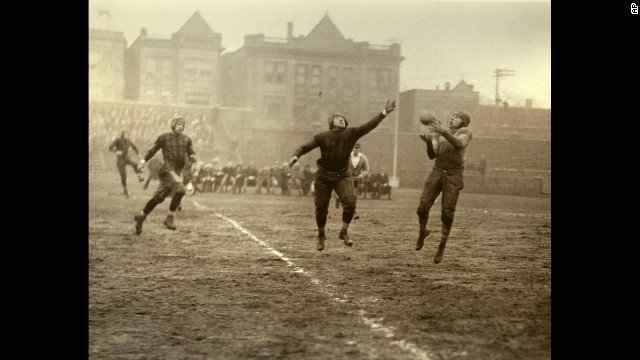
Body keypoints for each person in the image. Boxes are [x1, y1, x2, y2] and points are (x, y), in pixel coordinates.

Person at [288, 100, 396, 251]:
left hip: (342, 175)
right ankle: (321, 235)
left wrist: (384, 113)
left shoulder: (351, 133)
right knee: (321, 208)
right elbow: (305, 147)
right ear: (331, 122)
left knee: (350, 201)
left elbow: (369, 126)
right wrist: (295, 156)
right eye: (337, 117)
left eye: (342, 118)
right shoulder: (322, 136)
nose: (341, 118)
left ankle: (344, 232)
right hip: (323, 176)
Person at [415, 110, 473, 264]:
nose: (453, 118)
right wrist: (429, 143)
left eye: (457, 117)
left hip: (454, 174)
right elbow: (432, 155)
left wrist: (442, 131)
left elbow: (459, 143)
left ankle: (442, 245)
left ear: (464, 121)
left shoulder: (465, 132)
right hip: (438, 170)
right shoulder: (439, 133)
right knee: (422, 207)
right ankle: (423, 231)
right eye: (452, 116)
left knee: (447, 213)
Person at [133, 116, 197, 234]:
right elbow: (153, 150)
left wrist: (193, 156)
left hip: (176, 171)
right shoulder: (164, 137)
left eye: (183, 124)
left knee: (158, 198)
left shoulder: (187, 139)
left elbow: (191, 151)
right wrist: (143, 161)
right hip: (167, 169)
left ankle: (141, 216)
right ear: (173, 125)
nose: (181, 126)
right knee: (181, 189)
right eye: (178, 124)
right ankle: (170, 217)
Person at [335, 142, 369, 218]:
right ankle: (338, 199)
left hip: (357, 180)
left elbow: (367, 170)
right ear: (352, 148)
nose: (355, 150)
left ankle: (354, 212)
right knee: (345, 195)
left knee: (354, 196)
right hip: (347, 178)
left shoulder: (363, 158)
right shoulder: (347, 156)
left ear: (359, 149)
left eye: (357, 148)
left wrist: (361, 175)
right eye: (354, 148)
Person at [108, 130, 144, 197]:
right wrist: (116, 151)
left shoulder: (129, 141)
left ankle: (139, 176)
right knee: (123, 175)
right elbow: (110, 147)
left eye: (127, 134)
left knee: (137, 164)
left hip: (127, 157)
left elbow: (134, 147)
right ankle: (125, 190)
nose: (126, 135)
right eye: (125, 134)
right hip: (120, 159)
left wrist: (138, 154)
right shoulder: (118, 140)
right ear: (122, 134)